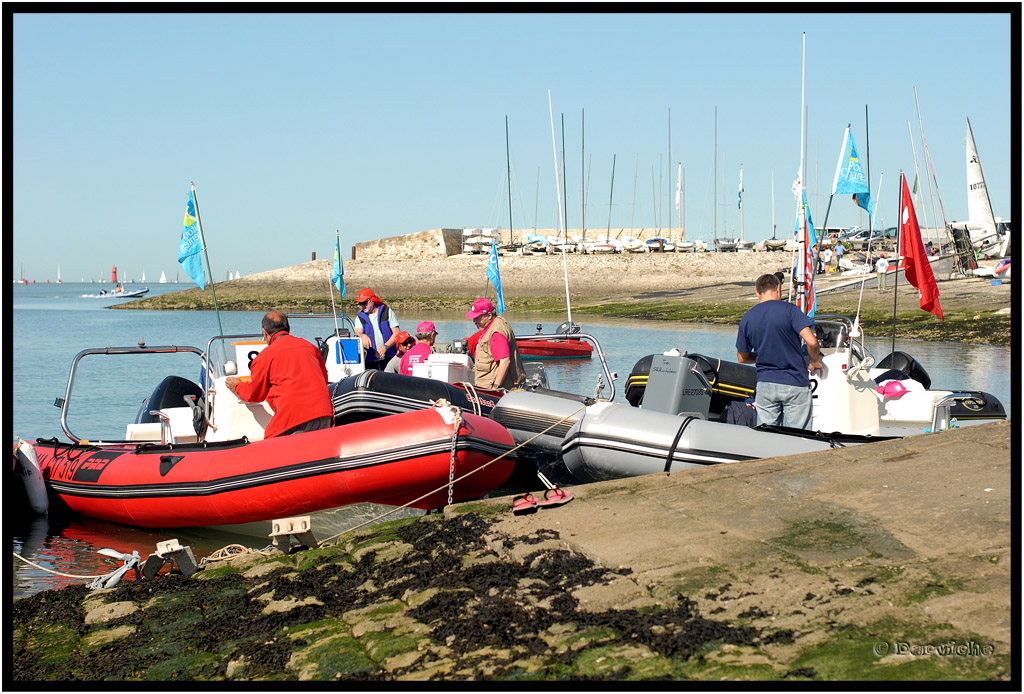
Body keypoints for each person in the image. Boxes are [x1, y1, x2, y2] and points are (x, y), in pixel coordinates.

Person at [224, 311, 333, 437]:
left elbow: (254, 394)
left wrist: (238, 386)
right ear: (288, 328)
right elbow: (324, 378)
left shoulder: (264, 357)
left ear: (265, 332)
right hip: (325, 414)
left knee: (270, 447)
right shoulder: (310, 347)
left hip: (293, 420)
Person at [735, 274, 822, 429]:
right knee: (797, 436)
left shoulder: (748, 318)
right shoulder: (790, 310)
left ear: (757, 293)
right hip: (795, 382)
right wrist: (814, 361)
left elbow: (742, 358)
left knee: (767, 435)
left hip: (766, 383)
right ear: (778, 288)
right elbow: (812, 341)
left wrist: (762, 354)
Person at [465, 297, 525, 390]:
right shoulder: (494, 324)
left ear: (489, 315)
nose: (474, 321)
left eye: (477, 318)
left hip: (493, 389)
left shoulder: (496, 333)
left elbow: (505, 361)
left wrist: (495, 388)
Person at [353, 288, 400, 371]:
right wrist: (362, 336)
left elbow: (396, 333)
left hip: (388, 358)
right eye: (360, 304)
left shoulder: (387, 312)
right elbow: (357, 331)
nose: (363, 306)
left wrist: (385, 347)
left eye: (364, 303)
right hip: (370, 360)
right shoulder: (360, 317)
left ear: (372, 300)